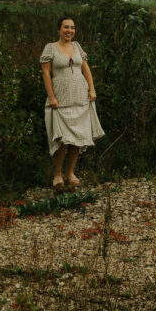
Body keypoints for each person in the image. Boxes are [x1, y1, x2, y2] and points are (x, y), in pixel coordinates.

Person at [40, 16, 104, 191]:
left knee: (77, 139)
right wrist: (51, 97)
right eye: (66, 27)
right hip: (60, 101)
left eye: (72, 27)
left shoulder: (77, 47)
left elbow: (86, 69)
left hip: (80, 98)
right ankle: (57, 175)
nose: (69, 30)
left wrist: (92, 89)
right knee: (61, 140)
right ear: (59, 29)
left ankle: (70, 173)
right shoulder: (50, 48)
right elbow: (46, 74)